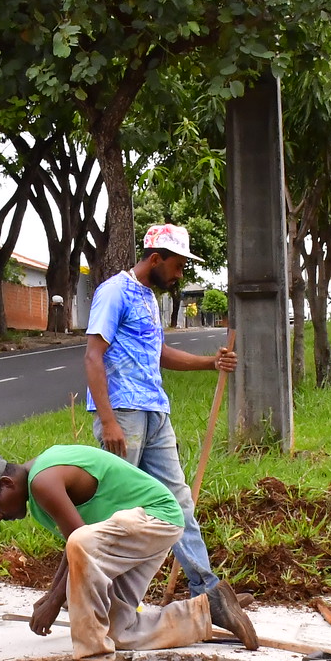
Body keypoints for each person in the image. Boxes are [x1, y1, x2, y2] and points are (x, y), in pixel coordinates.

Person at [0, 445, 257, 661]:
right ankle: (209, 610)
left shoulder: (43, 480)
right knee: (116, 632)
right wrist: (52, 595)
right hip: (142, 528)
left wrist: (55, 601)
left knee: (80, 555)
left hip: (153, 517)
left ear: (6, 483)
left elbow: (81, 542)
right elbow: (77, 545)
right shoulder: (37, 487)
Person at [84, 222, 236, 598]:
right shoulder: (114, 292)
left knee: (177, 499)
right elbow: (92, 356)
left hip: (155, 413)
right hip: (123, 415)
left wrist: (209, 364)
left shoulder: (150, 298)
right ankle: (99, 595)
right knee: (117, 507)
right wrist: (108, 422)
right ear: (156, 258)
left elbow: (159, 354)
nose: (180, 273)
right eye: (178, 265)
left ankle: (206, 590)